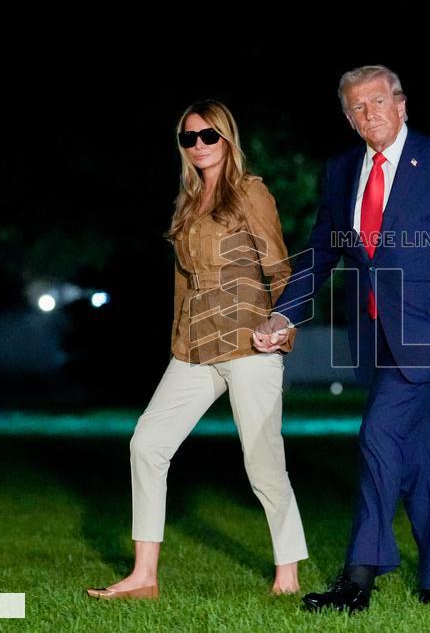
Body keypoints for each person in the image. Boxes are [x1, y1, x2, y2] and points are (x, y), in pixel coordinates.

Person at [254, 65, 430, 612]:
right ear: (348, 118)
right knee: (417, 454)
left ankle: (358, 579)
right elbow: (322, 251)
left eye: (378, 102)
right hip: (376, 335)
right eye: (357, 108)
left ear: (401, 104)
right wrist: (284, 315)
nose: (370, 114)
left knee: (378, 435)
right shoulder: (341, 170)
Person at [87, 100, 308, 600]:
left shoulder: (250, 192)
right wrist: (177, 341)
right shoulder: (187, 201)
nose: (199, 145)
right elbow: (183, 283)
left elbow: (280, 269)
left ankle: (288, 575)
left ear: (227, 138)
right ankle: (144, 577)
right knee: (147, 443)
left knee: (263, 462)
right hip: (194, 347)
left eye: (209, 135)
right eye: (189, 137)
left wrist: (282, 329)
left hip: (249, 343)